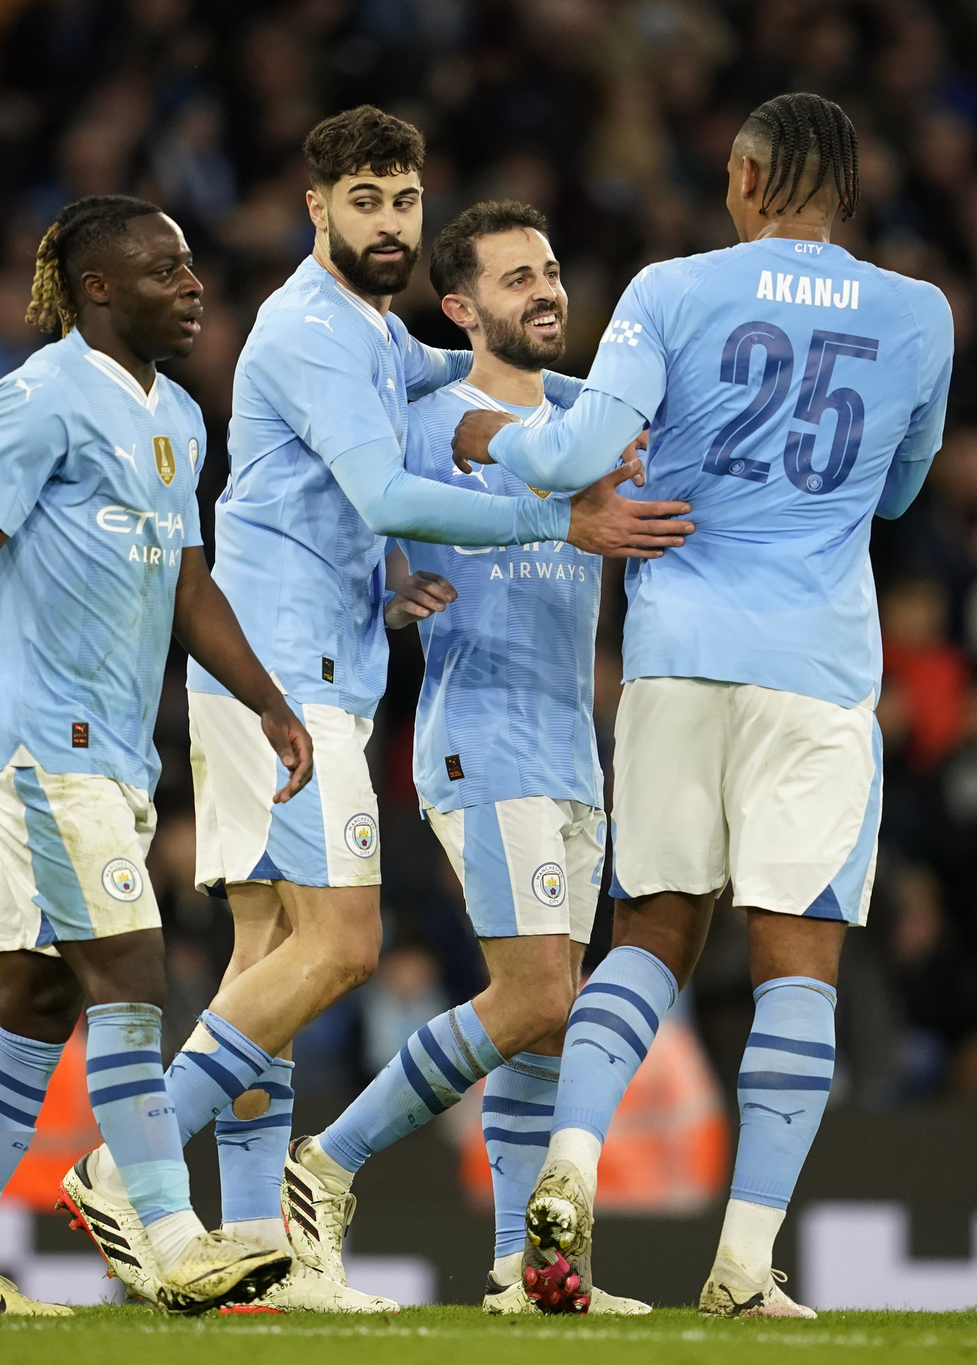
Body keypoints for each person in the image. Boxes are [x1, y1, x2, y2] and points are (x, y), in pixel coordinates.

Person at [58, 106, 693, 1315]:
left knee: (269, 958)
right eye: (364, 201)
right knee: (344, 946)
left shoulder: (375, 334)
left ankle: (262, 1251)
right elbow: (387, 486)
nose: (390, 222)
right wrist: (555, 513)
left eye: (403, 199)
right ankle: (127, 1172)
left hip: (312, 671)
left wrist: (562, 400)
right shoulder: (309, 330)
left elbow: (453, 382)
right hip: (280, 679)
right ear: (315, 208)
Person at [450, 91, 954, 1318]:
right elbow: (897, 494)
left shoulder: (669, 291)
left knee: (651, 936)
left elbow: (569, 460)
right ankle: (740, 1266)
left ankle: (569, 1169)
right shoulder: (920, 313)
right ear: (848, 191)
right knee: (798, 963)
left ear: (742, 176)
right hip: (818, 672)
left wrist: (481, 435)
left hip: (676, 656)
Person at [0, 194, 310, 1317]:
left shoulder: (180, 417)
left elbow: (188, 587)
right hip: (38, 741)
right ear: (98, 288)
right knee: (132, 968)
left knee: (39, 997)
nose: (192, 285)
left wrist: (267, 700)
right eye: (165, 270)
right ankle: (169, 1236)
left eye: (191, 265)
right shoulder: (37, 399)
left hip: (110, 752)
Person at [283, 199, 648, 1317]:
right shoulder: (421, 419)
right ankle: (327, 1164)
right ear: (459, 308)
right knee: (534, 991)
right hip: (480, 733)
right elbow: (347, 528)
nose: (545, 291)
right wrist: (387, 591)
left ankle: (519, 1271)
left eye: (551, 271)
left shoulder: (589, 418)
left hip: (571, 744)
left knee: (547, 1018)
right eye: (515, 278)